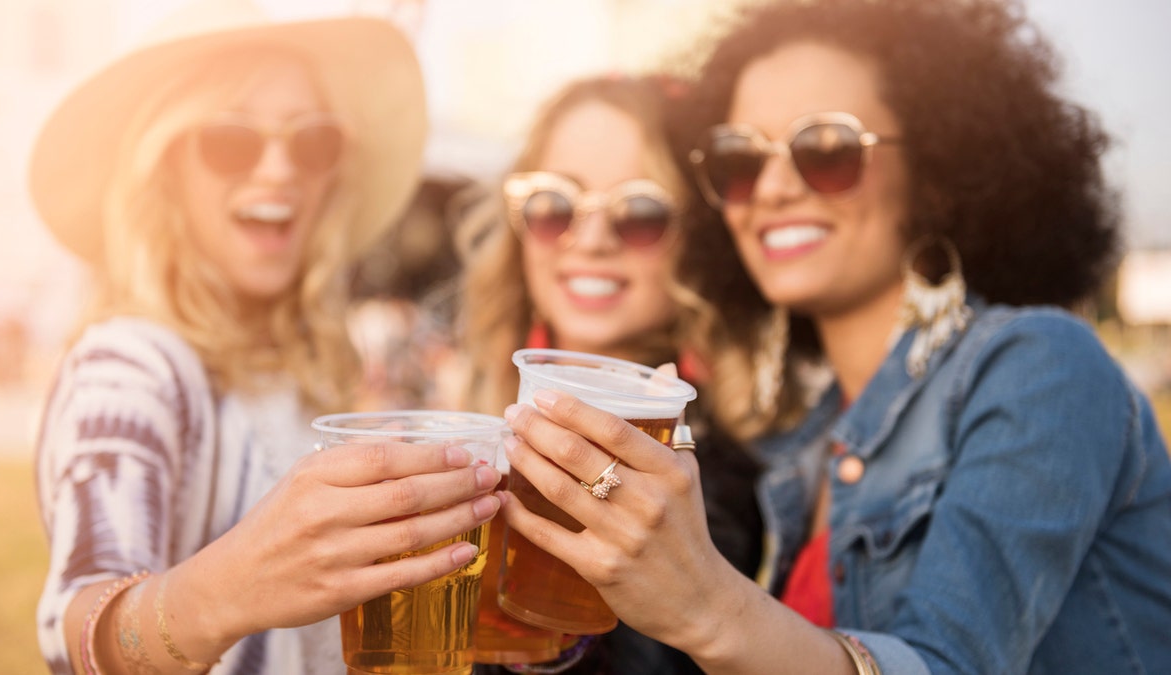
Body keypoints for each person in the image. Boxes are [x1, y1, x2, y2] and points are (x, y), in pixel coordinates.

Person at [496, 0, 1171, 673]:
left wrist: (707, 606)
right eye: (741, 159)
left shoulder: (1040, 365)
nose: (775, 187)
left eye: (827, 149)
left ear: (937, 173)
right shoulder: (794, 448)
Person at [29, 2, 502, 673]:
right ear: (165, 169)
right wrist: (219, 594)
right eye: (231, 141)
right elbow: (79, 635)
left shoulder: (293, 369)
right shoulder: (131, 362)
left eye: (313, 142)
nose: (280, 170)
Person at [453, 75, 763, 674]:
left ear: (696, 240)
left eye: (640, 212)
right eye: (554, 204)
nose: (589, 241)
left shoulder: (708, 476)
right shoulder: (474, 421)